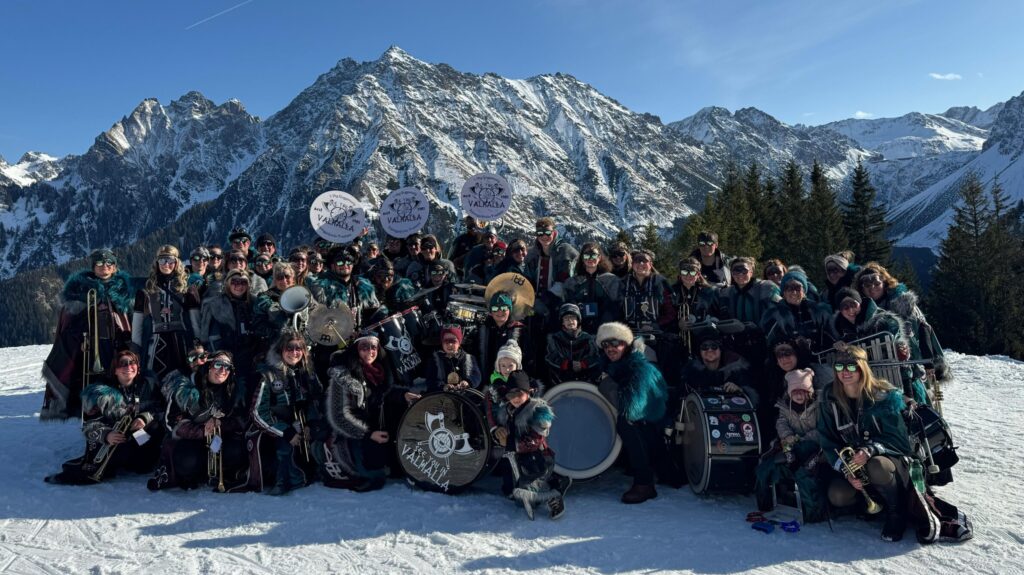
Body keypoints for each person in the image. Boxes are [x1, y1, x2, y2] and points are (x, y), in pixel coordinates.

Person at [817, 345, 941, 543]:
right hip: (854, 464)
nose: (845, 373)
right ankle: (873, 503)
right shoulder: (828, 398)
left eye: (851, 367)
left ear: (862, 368)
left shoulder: (885, 396)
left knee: (877, 467)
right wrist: (846, 470)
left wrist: (871, 449)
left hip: (891, 460)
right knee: (838, 495)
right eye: (840, 367)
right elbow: (827, 439)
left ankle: (896, 512)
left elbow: (899, 441)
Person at [41, 248, 134, 421]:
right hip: (91, 350)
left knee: (120, 383)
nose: (104, 267)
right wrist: (80, 340)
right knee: (93, 387)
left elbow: (131, 320)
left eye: (109, 263)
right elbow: (69, 325)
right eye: (99, 263)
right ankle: (94, 425)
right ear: (93, 267)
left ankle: (121, 421)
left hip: (118, 347)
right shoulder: (80, 290)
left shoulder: (124, 292)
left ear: (114, 267)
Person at [45, 350, 164, 484]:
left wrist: (143, 418)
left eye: (132, 363)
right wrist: (106, 435)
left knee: (150, 441)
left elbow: (158, 409)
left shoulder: (147, 387)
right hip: (114, 441)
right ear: (115, 371)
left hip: (135, 437)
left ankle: (139, 460)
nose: (128, 367)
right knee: (111, 460)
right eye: (122, 364)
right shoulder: (100, 395)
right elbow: (88, 427)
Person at [596, 322, 678, 503]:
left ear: (625, 344)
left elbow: (631, 409)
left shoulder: (639, 367)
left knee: (626, 423)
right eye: (605, 344)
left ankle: (644, 483)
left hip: (654, 424)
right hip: (648, 422)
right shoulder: (615, 365)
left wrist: (607, 384)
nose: (610, 348)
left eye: (615, 343)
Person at [326, 333, 418, 491]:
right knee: (373, 475)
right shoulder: (342, 377)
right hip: (354, 433)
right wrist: (368, 434)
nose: (370, 351)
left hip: (375, 424)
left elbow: (383, 393)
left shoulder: (380, 369)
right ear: (356, 350)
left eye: (373, 347)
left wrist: (403, 395)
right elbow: (338, 417)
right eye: (364, 347)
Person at [148, 350, 248, 492]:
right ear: (208, 366)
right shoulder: (186, 388)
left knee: (236, 450)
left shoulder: (233, 390)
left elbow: (241, 419)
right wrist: (201, 431)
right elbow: (171, 422)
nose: (222, 370)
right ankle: (192, 474)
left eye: (227, 367)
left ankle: (220, 473)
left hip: (219, 438)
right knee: (187, 461)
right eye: (218, 364)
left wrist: (219, 423)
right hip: (191, 440)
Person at [249, 331, 326, 495]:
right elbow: (257, 413)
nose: (294, 352)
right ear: (280, 350)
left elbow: (313, 402)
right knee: (285, 445)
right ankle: (282, 480)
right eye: (289, 348)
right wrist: (286, 431)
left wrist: (310, 425)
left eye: (299, 348)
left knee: (322, 435)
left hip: (300, 423)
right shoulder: (268, 376)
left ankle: (316, 472)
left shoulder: (306, 374)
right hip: (275, 427)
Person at [854, 262, 950, 383]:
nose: (872, 288)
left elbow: (923, 329)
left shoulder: (903, 303)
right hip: (877, 366)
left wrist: (929, 362)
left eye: (876, 283)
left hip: (911, 363)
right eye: (867, 285)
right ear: (861, 288)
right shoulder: (860, 309)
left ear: (884, 283)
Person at [754, 368, 827, 522]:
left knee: (805, 473)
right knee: (765, 468)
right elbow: (781, 423)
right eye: (795, 392)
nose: (799, 395)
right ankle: (765, 504)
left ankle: (813, 512)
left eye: (803, 391)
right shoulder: (784, 407)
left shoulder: (819, 406)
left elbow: (823, 429)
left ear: (809, 392)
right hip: (790, 445)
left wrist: (800, 439)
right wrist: (787, 437)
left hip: (813, 446)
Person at [496, 370, 568, 520]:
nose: (515, 398)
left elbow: (535, 441)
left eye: (519, 394)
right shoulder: (507, 410)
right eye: (511, 395)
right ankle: (551, 481)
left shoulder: (537, 410)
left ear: (528, 392)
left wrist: (510, 443)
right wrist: (500, 431)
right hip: (518, 460)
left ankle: (554, 494)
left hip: (538, 459)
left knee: (530, 493)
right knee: (515, 497)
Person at [132, 245, 200, 380]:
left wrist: (197, 344)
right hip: (154, 343)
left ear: (176, 263)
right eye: (162, 260)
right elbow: (137, 322)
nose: (166, 264)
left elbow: (195, 321)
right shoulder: (146, 289)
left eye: (170, 260)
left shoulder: (188, 288)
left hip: (181, 342)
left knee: (182, 380)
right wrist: (135, 349)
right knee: (152, 380)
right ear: (157, 263)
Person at [198, 269, 259, 383]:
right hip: (225, 360)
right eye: (235, 282)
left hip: (251, 357)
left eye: (243, 282)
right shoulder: (216, 305)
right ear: (227, 283)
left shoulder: (255, 304)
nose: (239, 286)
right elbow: (212, 337)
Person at [760, 269, 832, 351]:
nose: (794, 292)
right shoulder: (774, 315)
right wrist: (793, 343)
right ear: (783, 293)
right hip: (789, 360)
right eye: (789, 288)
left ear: (804, 291)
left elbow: (831, 336)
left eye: (797, 288)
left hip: (819, 360)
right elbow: (770, 343)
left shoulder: (819, 311)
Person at [680, 335, 758, 408]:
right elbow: (682, 399)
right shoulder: (691, 372)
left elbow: (754, 400)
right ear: (699, 351)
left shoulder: (737, 370)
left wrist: (740, 390)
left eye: (714, 346)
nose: (709, 350)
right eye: (704, 347)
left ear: (720, 349)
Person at [563, 242, 621, 334]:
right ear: (582, 258)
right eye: (586, 256)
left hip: (606, 329)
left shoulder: (611, 280)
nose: (590, 259)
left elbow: (617, 306)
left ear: (599, 258)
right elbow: (568, 307)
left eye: (593, 256)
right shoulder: (572, 282)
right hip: (579, 330)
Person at [708, 256, 780, 325]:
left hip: (763, 335)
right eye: (736, 271)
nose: (740, 274)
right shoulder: (725, 293)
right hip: (734, 335)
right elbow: (715, 313)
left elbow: (779, 312)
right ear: (731, 274)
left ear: (751, 272)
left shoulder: (766, 288)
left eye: (744, 270)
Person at [472, 292, 529, 376]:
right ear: (491, 311)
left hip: (511, 380)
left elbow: (527, 357)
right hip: (486, 378)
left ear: (510, 310)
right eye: (495, 308)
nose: (499, 311)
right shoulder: (483, 329)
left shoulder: (519, 330)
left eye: (504, 308)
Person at [545, 303, 601, 384]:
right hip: (560, 382)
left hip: (585, 381)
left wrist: (583, 364)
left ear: (578, 320)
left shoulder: (588, 339)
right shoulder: (555, 339)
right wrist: (567, 364)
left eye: (573, 317)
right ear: (562, 322)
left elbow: (596, 358)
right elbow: (551, 357)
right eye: (566, 318)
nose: (570, 321)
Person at [425, 326, 483, 392]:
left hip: (465, 395)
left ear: (459, 343)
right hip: (441, 396)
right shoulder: (435, 359)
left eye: (453, 341)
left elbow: (476, 376)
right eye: (446, 341)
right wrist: (442, 386)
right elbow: (430, 380)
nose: (449, 344)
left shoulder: (469, 358)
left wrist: (468, 382)